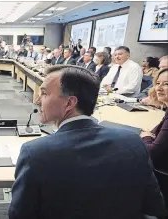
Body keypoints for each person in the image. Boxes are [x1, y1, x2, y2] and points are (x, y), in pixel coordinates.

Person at [9, 65, 166, 219]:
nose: (37, 100)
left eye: (44, 93)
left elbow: (19, 214)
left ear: (70, 103)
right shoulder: (133, 141)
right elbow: (154, 206)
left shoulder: (35, 152)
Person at [141, 68, 168, 173]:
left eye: (166, 84)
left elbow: (152, 153)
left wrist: (147, 137)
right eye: (157, 83)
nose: (159, 88)